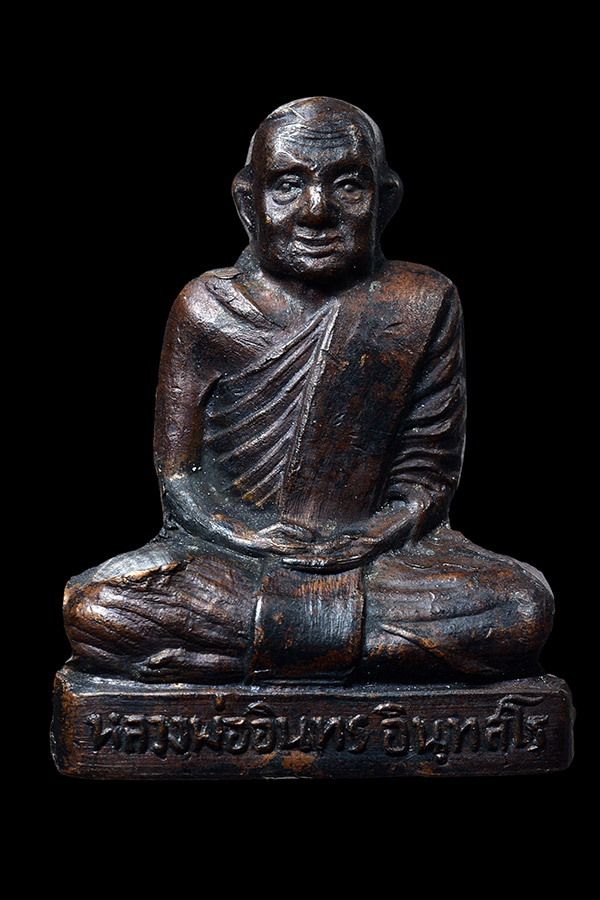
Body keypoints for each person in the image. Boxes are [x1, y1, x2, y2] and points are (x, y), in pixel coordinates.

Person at [64, 97, 554, 685]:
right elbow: (179, 478)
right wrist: (250, 536)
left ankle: (259, 651)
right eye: (287, 186)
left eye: (347, 185)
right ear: (248, 204)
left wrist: (368, 538)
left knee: (519, 605)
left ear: (386, 200)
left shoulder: (422, 301)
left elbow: (428, 477)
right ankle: (356, 651)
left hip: (375, 564)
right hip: (236, 560)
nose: (316, 211)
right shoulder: (207, 307)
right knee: (97, 605)